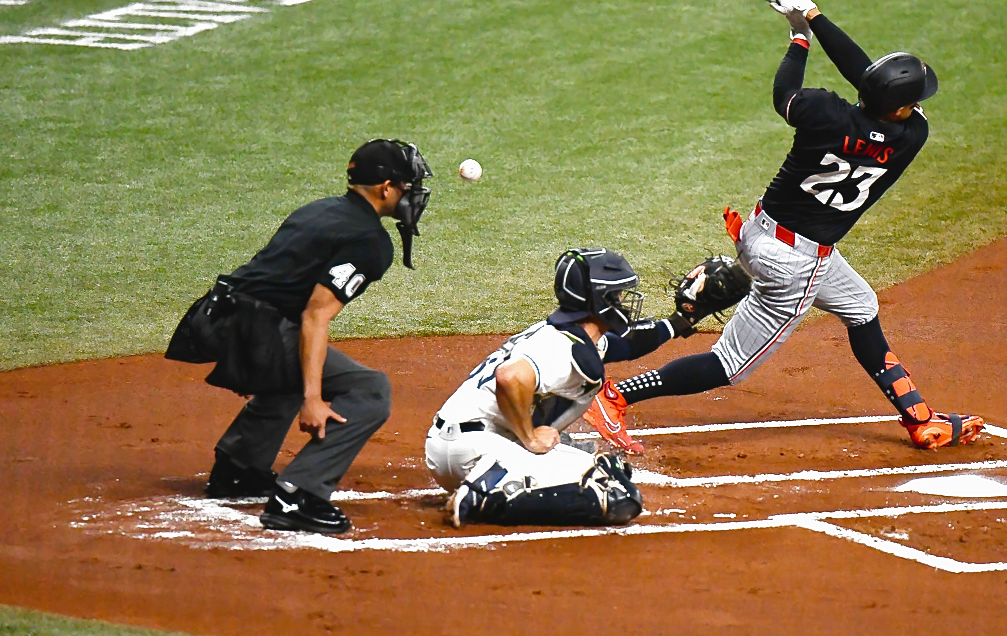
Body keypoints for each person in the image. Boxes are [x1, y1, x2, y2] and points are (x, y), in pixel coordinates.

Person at [585, 0, 985, 455]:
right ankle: (615, 397)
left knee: (860, 306)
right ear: (900, 109)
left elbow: (789, 94)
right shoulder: (913, 135)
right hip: (796, 265)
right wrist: (814, 16)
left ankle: (919, 419)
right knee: (730, 363)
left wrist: (802, 33)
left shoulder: (824, 114)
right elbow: (871, 81)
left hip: (758, 231)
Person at [166, 139, 433, 533]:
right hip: (249, 328)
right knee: (370, 389)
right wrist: (312, 399)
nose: (413, 195)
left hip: (214, 316)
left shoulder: (322, 209)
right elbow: (315, 316)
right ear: (386, 188)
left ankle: (240, 468)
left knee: (297, 362)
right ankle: (299, 495)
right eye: (408, 186)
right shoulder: (369, 241)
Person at [426, 248, 692, 527]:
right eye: (618, 294)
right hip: (476, 449)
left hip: (460, 442)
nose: (624, 301)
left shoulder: (572, 334)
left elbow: (627, 345)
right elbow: (510, 377)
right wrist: (530, 437)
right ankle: (486, 495)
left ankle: (500, 475)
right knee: (617, 496)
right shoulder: (561, 347)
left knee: (612, 469)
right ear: (600, 300)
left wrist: (683, 320)